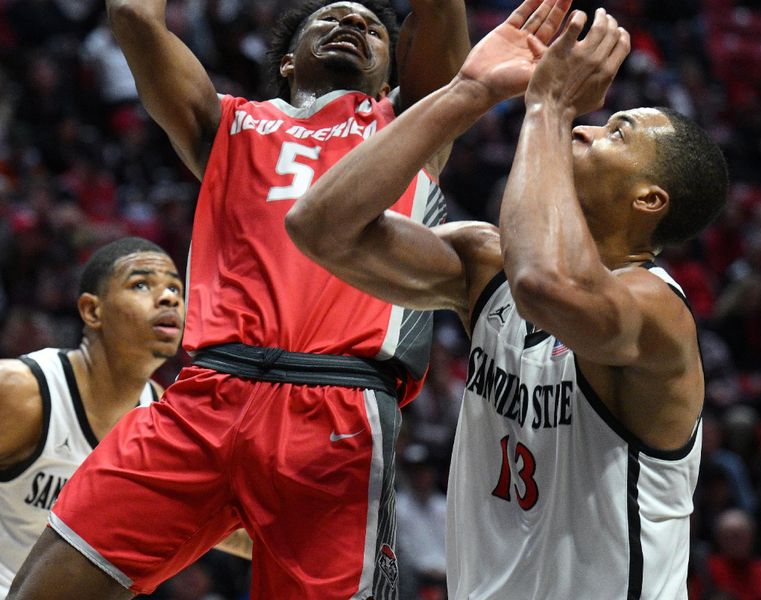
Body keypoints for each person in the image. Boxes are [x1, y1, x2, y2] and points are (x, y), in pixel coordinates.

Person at [8, 0, 492, 597]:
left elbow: (441, 15)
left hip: (335, 411)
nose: (352, 26)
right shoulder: (228, 124)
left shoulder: (408, 122)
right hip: (205, 396)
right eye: (332, 18)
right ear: (288, 60)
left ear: (393, 73)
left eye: (371, 27)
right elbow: (133, 16)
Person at [285, 2, 729, 597]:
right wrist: (469, 91)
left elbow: (546, 286)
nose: (585, 128)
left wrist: (549, 106)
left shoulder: (656, 313)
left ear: (649, 200)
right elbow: (317, 225)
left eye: (614, 132)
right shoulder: (485, 264)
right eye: (595, 119)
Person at [0, 237, 185, 598]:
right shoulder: (22, 390)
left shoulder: (160, 414)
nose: (169, 298)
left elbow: (221, 529)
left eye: (176, 288)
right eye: (142, 284)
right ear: (92, 311)